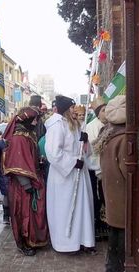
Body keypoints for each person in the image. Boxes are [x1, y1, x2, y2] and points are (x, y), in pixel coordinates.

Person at [44, 95, 95, 253]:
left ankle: (82, 239)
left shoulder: (73, 124)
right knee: (65, 210)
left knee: (82, 208)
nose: (75, 110)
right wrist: (73, 162)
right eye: (72, 108)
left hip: (79, 175)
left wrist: (84, 142)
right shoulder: (57, 126)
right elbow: (52, 153)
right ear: (65, 109)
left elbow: (82, 151)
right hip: (64, 177)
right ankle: (66, 243)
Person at [3, 106, 49, 256]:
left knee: (33, 214)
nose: (36, 122)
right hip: (22, 187)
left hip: (32, 180)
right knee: (23, 214)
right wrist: (27, 184)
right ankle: (24, 243)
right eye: (34, 119)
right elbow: (16, 162)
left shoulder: (28, 135)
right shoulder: (19, 138)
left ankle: (33, 239)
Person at [93, 95, 127, 272]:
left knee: (115, 238)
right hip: (123, 197)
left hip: (113, 195)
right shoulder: (123, 139)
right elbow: (128, 172)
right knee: (122, 241)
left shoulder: (107, 134)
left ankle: (112, 266)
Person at [87, 97, 109, 241]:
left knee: (106, 196)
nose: (106, 112)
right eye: (103, 110)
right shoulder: (91, 127)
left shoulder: (111, 124)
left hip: (108, 167)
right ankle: (97, 224)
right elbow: (91, 148)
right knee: (97, 197)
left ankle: (106, 222)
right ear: (97, 113)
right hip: (95, 167)